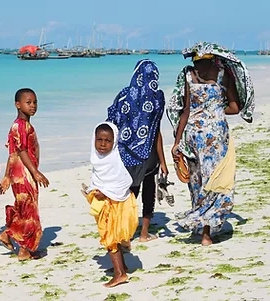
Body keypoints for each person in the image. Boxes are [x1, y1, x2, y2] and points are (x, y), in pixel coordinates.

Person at [167, 41, 255, 246]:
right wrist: (215, 111)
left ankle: (199, 227)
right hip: (215, 138)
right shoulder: (222, 75)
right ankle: (206, 233)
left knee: (197, 182)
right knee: (216, 181)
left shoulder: (189, 76)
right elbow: (234, 107)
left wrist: (177, 141)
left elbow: (185, 111)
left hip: (193, 136)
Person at [107, 59, 169, 243]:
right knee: (148, 189)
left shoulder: (123, 95)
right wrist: (163, 162)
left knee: (129, 192)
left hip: (125, 153)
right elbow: (156, 131)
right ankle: (144, 234)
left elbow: (111, 123)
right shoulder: (157, 98)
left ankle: (125, 235)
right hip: (149, 154)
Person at [83, 122, 138, 288]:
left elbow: (125, 181)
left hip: (116, 204)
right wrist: (93, 190)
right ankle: (122, 266)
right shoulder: (97, 159)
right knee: (111, 236)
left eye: (107, 141)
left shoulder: (115, 160)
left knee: (109, 238)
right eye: (99, 139)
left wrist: (106, 192)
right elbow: (99, 179)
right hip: (104, 203)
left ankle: (120, 274)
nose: (102, 144)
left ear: (114, 142)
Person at [0, 88, 49, 261]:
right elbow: (21, 150)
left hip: (19, 173)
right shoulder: (19, 125)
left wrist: (6, 176)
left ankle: (9, 236)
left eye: (35, 102)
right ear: (17, 105)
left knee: (24, 208)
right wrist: (35, 172)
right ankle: (23, 248)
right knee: (30, 210)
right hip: (24, 174)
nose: (33, 105)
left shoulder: (23, 125)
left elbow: (12, 153)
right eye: (29, 102)